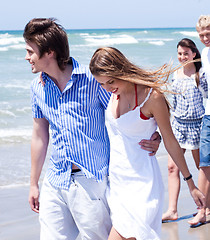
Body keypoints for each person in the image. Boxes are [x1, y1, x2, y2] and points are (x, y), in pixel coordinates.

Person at [23, 18, 161, 240]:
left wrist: (155, 135)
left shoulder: (93, 80)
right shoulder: (37, 87)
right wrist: (33, 183)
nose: (26, 57)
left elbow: (126, 114)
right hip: (55, 179)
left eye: (30, 51)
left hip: (91, 181)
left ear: (49, 52)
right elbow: (39, 135)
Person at [89, 47, 205, 240]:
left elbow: (170, 140)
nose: (108, 88)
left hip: (142, 183)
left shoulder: (152, 97)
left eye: (111, 81)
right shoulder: (111, 92)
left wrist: (190, 183)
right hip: (118, 183)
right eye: (102, 84)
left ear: (121, 70)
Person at [162, 38, 208, 222]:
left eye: (186, 53)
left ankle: (205, 208)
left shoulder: (201, 74)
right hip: (178, 126)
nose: (182, 57)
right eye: (180, 53)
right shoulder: (175, 73)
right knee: (172, 167)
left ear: (194, 54)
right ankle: (172, 210)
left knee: (202, 169)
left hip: (197, 125)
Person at [188, 15, 210, 226]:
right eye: (201, 34)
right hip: (208, 115)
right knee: (205, 163)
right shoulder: (204, 53)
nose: (204, 37)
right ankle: (202, 211)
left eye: (207, 33)